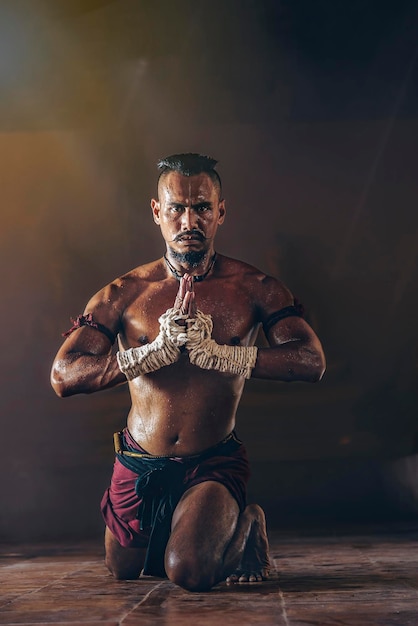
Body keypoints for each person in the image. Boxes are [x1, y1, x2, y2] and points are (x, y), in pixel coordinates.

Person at [51, 153, 326, 592]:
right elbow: (64, 375)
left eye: (201, 207)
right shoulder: (125, 293)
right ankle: (190, 528)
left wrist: (227, 356)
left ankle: (249, 524)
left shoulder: (254, 287)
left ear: (220, 211)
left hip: (211, 460)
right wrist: (146, 356)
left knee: (188, 571)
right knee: (121, 569)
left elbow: (311, 361)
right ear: (157, 212)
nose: (188, 219)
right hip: (141, 460)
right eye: (176, 207)